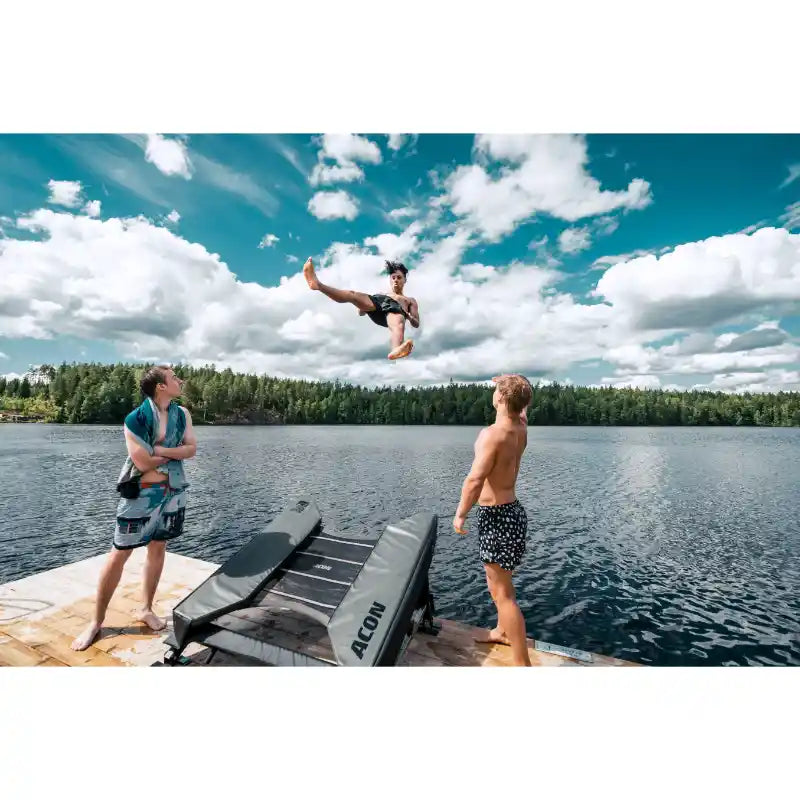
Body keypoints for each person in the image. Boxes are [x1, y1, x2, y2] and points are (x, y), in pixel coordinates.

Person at [71, 365, 197, 651]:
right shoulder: (135, 419)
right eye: (174, 378)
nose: (180, 381)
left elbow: (191, 449)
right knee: (119, 553)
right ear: (161, 386)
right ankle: (96, 621)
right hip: (141, 493)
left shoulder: (182, 414)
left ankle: (145, 608)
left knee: (158, 548)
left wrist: (159, 450)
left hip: (173, 492)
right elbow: (142, 462)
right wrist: (172, 453)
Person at [453, 374, 533, 666]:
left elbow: (475, 480)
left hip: (497, 517)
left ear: (500, 398)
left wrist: (461, 513)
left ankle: (522, 663)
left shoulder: (492, 435)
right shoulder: (520, 427)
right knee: (500, 584)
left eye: (497, 389)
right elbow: (523, 405)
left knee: (502, 594)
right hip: (513, 513)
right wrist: (513, 383)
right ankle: (501, 630)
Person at [302, 257, 420, 359]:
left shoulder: (410, 300)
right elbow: (360, 313)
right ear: (390, 279)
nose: (396, 280)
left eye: (399, 277)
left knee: (398, 320)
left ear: (405, 280)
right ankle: (317, 285)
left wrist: (410, 318)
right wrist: (361, 307)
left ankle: (396, 349)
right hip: (379, 304)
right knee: (352, 294)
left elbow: (416, 323)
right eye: (393, 277)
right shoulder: (382, 293)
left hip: (395, 311)